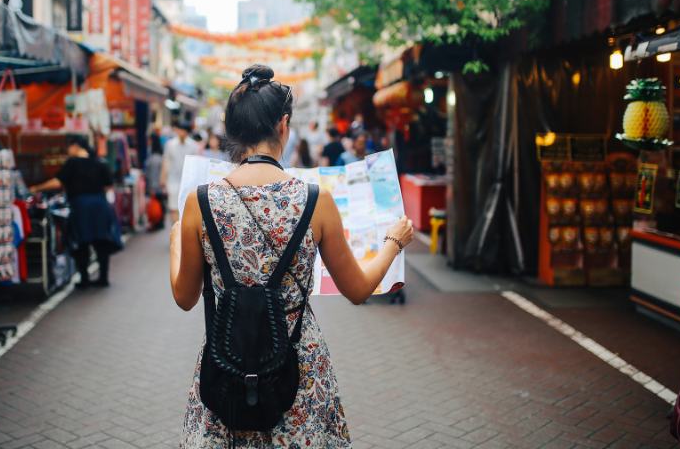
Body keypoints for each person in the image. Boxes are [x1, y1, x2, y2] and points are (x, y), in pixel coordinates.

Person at [169, 64, 415, 448]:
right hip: (297, 367)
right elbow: (358, 289)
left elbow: (184, 298)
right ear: (283, 125)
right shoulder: (316, 201)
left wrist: (174, 243)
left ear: (232, 131)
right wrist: (393, 242)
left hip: (228, 362)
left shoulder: (199, 202)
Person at [30, 135, 123, 288]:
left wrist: (35, 188)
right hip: (100, 206)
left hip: (81, 207)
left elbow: (57, 182)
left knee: (81, 242)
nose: (68, 150)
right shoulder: (99, 162)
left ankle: (84, 278)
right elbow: (108, 185)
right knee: (101, 242)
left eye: (69, 146)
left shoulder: (72, 163)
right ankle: (103, 278)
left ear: (76, 146)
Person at [160, 123, 200, 222]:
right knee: (173, 207)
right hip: (173, 180)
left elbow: (196, 164)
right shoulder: (170, 144)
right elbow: (166, 161)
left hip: (189, 182)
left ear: (187, 132)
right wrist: (163, 179)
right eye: (180, 130)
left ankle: (184, 232)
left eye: (184, 131)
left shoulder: (193, 145)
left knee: (186, 208)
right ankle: (176, 231)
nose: (181, 133)